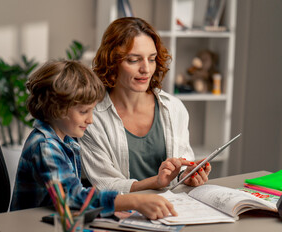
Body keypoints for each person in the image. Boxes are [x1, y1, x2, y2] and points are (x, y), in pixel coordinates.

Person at [10, 60, 177, 219]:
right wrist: (134, 201)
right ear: (56, 109)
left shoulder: (66, 140)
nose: (91, 120)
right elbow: (72, 197)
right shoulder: (45, 146)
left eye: (92, 111)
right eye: (84, 112)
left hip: (59, 220)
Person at [79, 17, 211, 193]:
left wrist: (186, 176)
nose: (146, 69)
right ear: (112, 62)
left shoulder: (174, 108)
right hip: (123, 215)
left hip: (172, 211)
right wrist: (157, 182)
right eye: (134, 60)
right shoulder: (91, 118)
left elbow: (181, 169)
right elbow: (106, 186)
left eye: (152, 59)